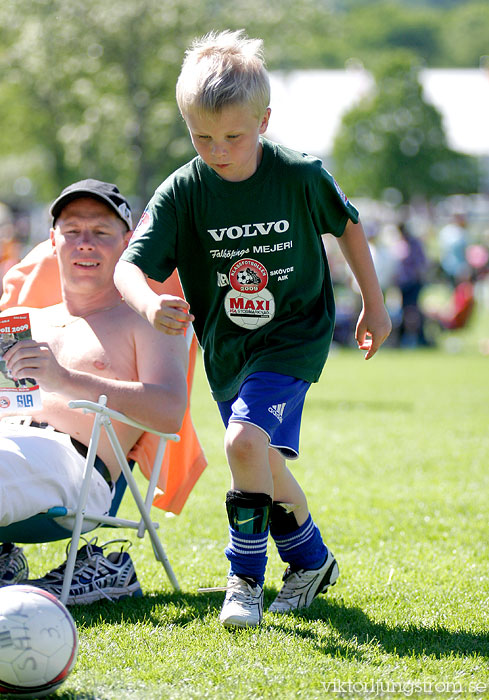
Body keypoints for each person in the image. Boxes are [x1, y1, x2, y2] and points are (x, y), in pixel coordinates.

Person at [114, 30, 392, 628]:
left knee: (242, 444)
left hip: (293, 334)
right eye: (202, 136)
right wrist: (146, 305)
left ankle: (243, 577)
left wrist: (375, 302)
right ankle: (311, 560)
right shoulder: (183, 192)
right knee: (261, 462)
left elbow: (349, 226)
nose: (218, 150)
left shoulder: (298, 175)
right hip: (227, 349)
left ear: (264, 120)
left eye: (233, 136)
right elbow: (128, 267)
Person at [0, 179, 189, 604]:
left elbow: (170, 412)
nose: (85, 243)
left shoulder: (148, 320)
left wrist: (65, 380)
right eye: (72, 232)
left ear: (127, 243)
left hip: (74, 468)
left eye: (101, 233)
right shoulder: (19, 319)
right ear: (53, 241)